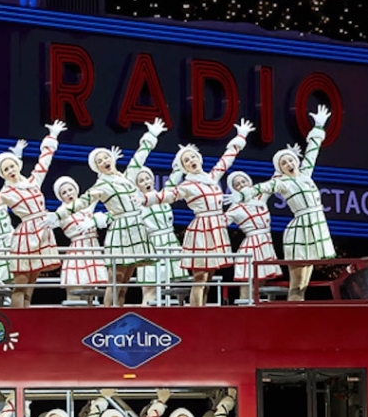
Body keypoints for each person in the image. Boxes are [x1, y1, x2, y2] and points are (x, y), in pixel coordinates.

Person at [139, 119, 255, 306]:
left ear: (199, 159)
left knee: (209, 278)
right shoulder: (187, 185)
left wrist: (241, 136)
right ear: (183, 167)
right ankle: (195, 316)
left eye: (193, 157)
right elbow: (169, 195)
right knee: (200, 278)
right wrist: (145, 199)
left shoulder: (211, 178)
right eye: (186, 160)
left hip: (217, 229)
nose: (191, 161)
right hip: (202, 230)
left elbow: (226, 160)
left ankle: (205, 318)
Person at [227, 106, 334, 301]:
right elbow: (262, 188)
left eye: (290, 160)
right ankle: (291, 323)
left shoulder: (305, 174)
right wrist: (241, 196)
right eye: (283, 163)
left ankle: (296, 321)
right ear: (280, 168)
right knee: (297, 285)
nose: (289, 164)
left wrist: (319, 126)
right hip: (300, 229)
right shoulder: (282, 183)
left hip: (315, 228)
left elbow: (312, 152)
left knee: (304, 286)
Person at [67, 118, 167, 306]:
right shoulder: (102, 184)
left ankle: (118, 316)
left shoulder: (127, 178)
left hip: (135, 229)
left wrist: (152, 135)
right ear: (96, 167)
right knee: (115, 281)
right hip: (121, 231)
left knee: (125, 282)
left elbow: (139, 157)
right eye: (100, 160)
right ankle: (106, 318)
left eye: (106, 157)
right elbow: (82, 201)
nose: (104, 160)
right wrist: (58, 217)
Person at [0, 122, 67, 308]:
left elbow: (44, 161)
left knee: (31, 286)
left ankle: (26, 325)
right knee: (20, 286)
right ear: (2, 175)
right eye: (6, 170)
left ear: (18, 165)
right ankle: (16, 323)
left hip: (43, 233)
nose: (10, 170)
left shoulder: (33, 181)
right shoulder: (8, 193)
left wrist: (52, 135)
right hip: (26, 236)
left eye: (12, 166)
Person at [224, 170, 282, 301]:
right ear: (233, 189)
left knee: (259, 286)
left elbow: (273, 183)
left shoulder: (260, 197)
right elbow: (221, 223)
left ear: (249, 182)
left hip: (266, 244)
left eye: (243, 181)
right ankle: (243, 313)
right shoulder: (235, 207)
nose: (241, 185)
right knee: (248, 284)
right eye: (237, 184)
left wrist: (280, 167)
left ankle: (256, 314)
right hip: (251, 247)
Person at [134, 166, 185, 305]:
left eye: (147, 178)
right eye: (141, 180)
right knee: (150, 288)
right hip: (151, 244)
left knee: (178, 288)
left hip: (171, 242)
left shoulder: (163, 195)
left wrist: (182, 158)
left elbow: (175, 176)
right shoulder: (137, 204)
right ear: (137, 185)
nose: (146, 182)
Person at [52, 176, 109, 301]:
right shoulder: (61, 212)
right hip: (77, 250)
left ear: (76, 190)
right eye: (64, 193)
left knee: (90, 294)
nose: (68, 194)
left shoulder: (86, 207)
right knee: (74, 291)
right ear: (60, 197)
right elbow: (50, 222)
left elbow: (96, 191)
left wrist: (103, 173)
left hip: (92, 249)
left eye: (70, 190)